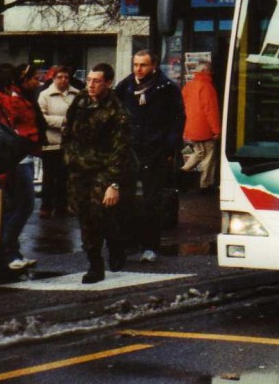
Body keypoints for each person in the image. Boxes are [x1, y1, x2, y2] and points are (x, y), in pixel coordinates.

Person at [63, 63, 134, 284]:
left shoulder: (117, 111)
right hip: (79, 169)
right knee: (84, 214)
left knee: (98, 214)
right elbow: (69, 128)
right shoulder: (81, 100)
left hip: (103, 169)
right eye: (89, 80)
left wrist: (114, 183)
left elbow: (120, 149)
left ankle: (105, 257)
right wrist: (68, 156)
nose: (91, 85)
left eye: (96, 81)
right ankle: (98, 257)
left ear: (109, 83)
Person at [114, 50, 185, 263]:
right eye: (135, 64)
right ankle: (128, 243)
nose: (138, 69)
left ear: (153, 66)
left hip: (154, 150)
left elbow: (177, 119)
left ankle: (150, 246)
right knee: (125, 197)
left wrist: (169, 148)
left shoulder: (166, 88)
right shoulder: (125, 87)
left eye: (143, 65)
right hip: (129, 149)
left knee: (151, 200)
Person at [0, 64, 42, 274]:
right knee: (23, 205)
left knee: (14, 206)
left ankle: (11, 251)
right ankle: (8, 252)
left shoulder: (16, 98)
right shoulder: (9, 99)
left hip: (19, 154)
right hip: (15, 157)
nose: (38, 82)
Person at [38, 65, 79, 218]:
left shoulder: (76, 94)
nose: (63, 80)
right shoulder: (44, 95)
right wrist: (63, 121)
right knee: (49, 176)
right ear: (53, 78)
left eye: (66, 77)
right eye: (59, 77)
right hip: (52, 141)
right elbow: (42, 117)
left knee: (66, 176)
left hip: (71, 142)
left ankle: (62, 205)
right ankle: (46, 206)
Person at [181, 61, 221, 192]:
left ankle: (183, 171)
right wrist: (216, 130)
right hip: (205, 129)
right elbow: (211, 111)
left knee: (199, 152)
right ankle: (206, 184)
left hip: (191, 127)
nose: (212, 73)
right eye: (210, 71)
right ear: (205, 71)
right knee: (209, 156)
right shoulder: (208, 87)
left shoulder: (188, 85)